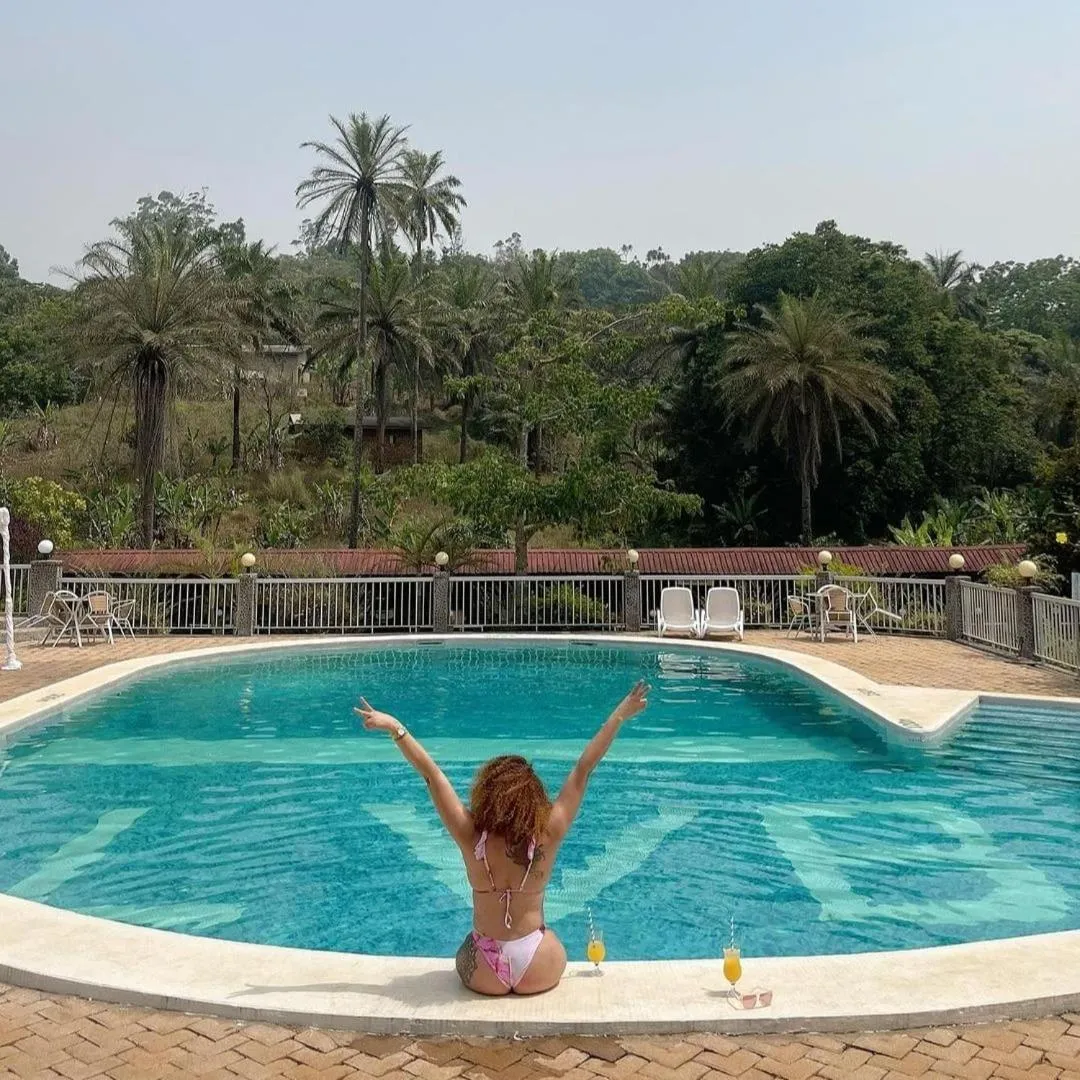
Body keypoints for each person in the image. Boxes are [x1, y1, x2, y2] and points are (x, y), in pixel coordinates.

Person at [355, 680, 650, 996]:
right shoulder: (548, 833)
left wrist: (395, 728)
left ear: (487, 794)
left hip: (483, 967)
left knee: (468, 946)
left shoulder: (470, 835)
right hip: (538, 962)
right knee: (555, 942)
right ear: (532, 797)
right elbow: (583, 768)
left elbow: (432, 774)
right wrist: (619, 715)